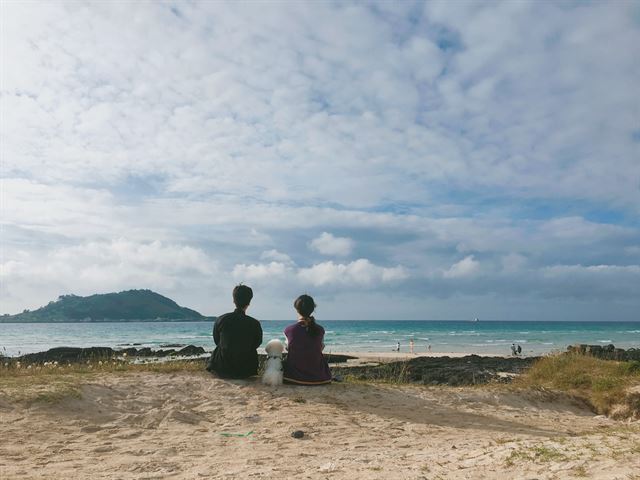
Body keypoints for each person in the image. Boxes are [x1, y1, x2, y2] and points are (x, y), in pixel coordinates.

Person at [207, 284, 263, 379]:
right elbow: (257, 343)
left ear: (234, 300)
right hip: (246, 369)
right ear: (249, 302)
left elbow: (217, 341)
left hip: (222, 367)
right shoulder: (254, 323)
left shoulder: (221, 319)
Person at [283, 294, 331, 385]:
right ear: (313, 309)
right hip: (320, 377)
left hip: (293, 377)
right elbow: (320, 348)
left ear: (296, 309)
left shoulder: (289, 330)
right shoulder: (320, 330)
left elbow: (288, 348)